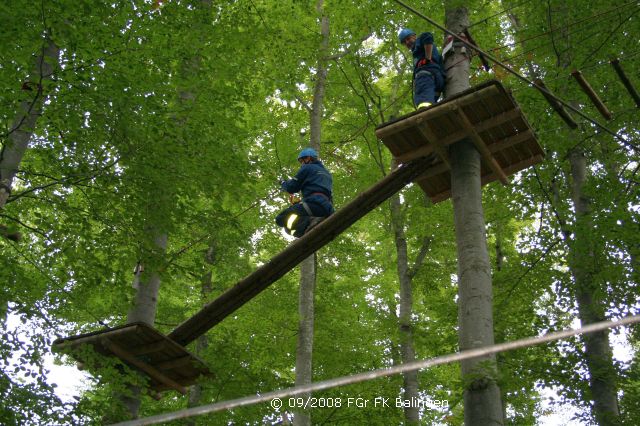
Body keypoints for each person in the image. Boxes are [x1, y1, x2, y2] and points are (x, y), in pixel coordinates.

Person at [275, 148, 334, 238]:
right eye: (301, 161)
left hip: (313, 205)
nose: (302, 163)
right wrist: (299, 203)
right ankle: (311, 227)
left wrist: (283, 183)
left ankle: (310, 222)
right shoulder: (328, 174)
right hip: (327, 209)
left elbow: (291, 187)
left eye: (304, 160)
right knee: (295, 222)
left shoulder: (307, 168)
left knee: (280, 219)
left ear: (311, 158)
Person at [398, 28, 445, 109]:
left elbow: (427, 36)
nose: (407, 42)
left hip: (426, 76)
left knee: (423, 101)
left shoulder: (419, 42)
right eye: (404, 42)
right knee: (432, 101)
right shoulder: (419, 52)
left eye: (408, 39)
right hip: (437, 79)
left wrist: (427, 58)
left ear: (414, 36)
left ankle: (424, 112)